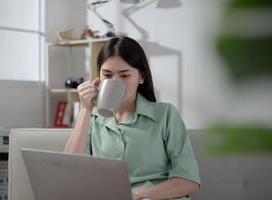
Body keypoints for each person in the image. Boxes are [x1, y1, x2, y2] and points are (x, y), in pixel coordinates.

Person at [65, 36, 200, 200]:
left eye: (125, 75)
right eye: (107, 75)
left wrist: (136, 195)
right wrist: (86, 109)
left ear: (141, 77)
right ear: (98, 78)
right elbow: (69, 171)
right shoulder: (92, 119)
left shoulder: (165, 115)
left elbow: (189, 181)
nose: (116, 82)